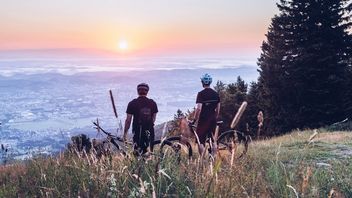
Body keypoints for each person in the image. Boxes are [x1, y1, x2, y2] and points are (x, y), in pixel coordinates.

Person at [123, 83, 158, 155]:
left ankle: (139, 165)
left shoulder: (132, 103)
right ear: (147, 92)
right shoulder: (152, 103)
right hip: (150, 131)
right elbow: (154, 118)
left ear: (137, 91)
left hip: (137, 131)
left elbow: (128, 121)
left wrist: (125, 134)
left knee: (137, 154)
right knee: (149, 153)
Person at [193, 73, 221, 155]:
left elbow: (198, 108)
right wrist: (214, 117)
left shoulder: (201, 94)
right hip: (212, 120)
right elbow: (218, 109)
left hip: (203, 120)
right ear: (210, 82)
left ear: (202, 82)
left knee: (200, 141)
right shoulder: (216, 94)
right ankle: (213, 158)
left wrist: (194, 120)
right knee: (213, 140)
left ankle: (202, 160)